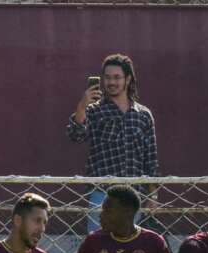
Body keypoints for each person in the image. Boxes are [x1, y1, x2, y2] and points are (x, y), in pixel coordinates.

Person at [67, 54, 158, 232]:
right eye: (107, 77)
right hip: (102, 194)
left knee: (131, 248)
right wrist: (82, 105)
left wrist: (153, 194)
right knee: (99, 247)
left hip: (135, 195)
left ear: (128, 79)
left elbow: (151, 158)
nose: (111, 82)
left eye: (117, 77)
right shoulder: (94, 110)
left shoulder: (143, 115)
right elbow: (76, 135)